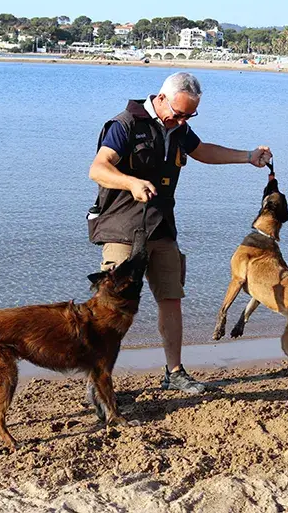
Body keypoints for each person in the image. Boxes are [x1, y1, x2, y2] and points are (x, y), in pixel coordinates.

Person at [87, 72, 272, 395]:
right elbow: (98, 168)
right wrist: (131, 182)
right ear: (161, 99)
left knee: (171, 300)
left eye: (189, 115)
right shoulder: (125, 124)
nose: (182, 120)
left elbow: (202, 151)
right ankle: (98, 380)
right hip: (121, 229)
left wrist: (247, 156)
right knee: (110, 306)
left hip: (162, 228)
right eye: (178, 112)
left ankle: (174, 373)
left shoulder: (178, 128)